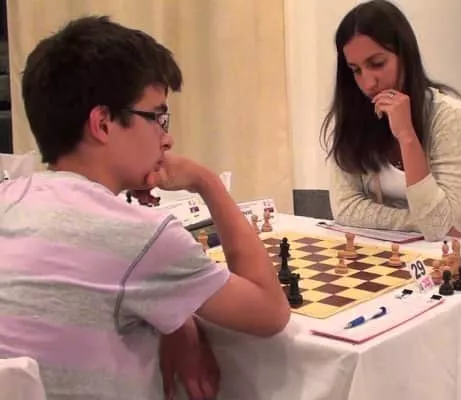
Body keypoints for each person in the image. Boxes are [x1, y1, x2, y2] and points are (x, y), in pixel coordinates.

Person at [0, 16, 290, 399]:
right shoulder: (140, 236)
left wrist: (175, 317)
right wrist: (207, 181)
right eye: (157, 117)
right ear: (103, 123)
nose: (167, 139)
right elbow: (271, 313)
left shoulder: (9, 199)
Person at [321, 0, 461, 241]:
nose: (368, 83)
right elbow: (345, 208)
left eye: (377, 64)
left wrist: (407, 136)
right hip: (394, 247)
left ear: (405, 55)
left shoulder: (450, 116)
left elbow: (436, 226)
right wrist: (417, 222)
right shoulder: (352, 117)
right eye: (356, 70)